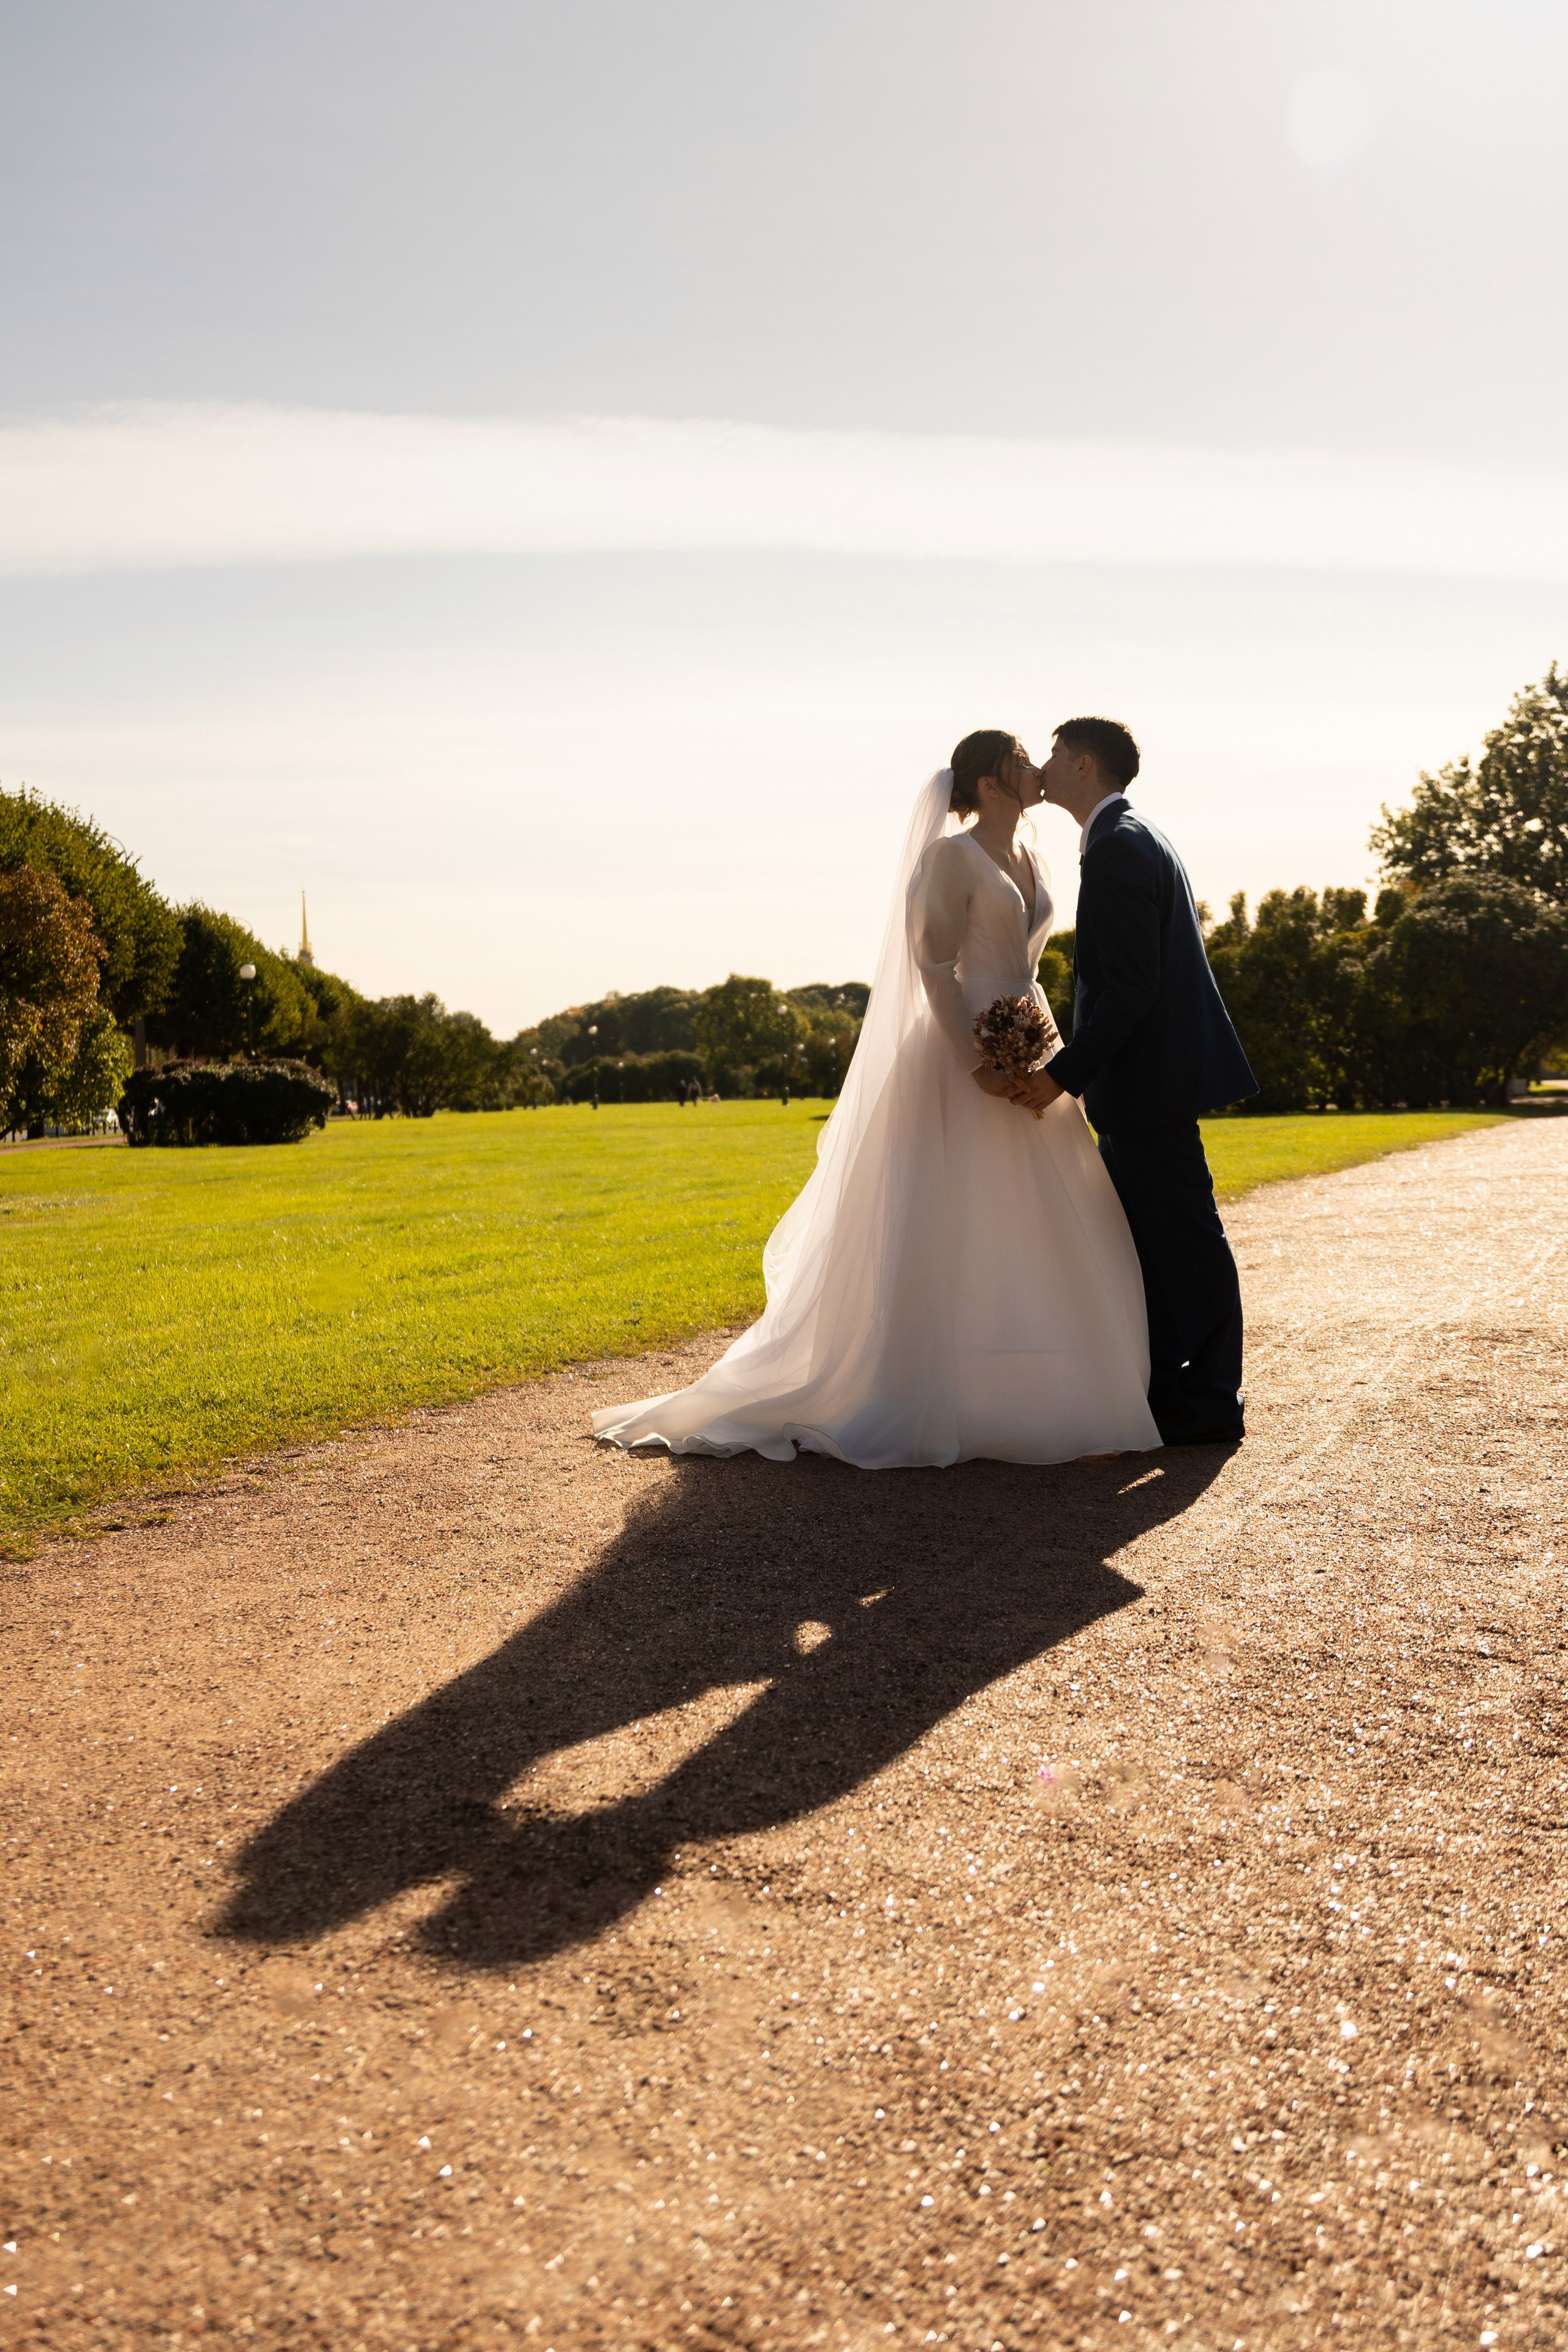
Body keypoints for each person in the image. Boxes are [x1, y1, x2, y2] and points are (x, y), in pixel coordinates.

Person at [592, 733, 1159, 1467]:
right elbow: (933, 965)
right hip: (962, 1052)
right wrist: (978, 1062)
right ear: (989, 782)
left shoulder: (1039, 855)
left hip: (1033, 1042)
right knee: (953, 1216)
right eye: (1022, 758)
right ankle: (930, 1392)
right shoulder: (950, 858)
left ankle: (1043, 1389)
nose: (1036, 769)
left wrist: (1040, 1051)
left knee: (1042, 1215)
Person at [1010, 717, 1256, 1446]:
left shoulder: (1117, 846)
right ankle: (1177, 1389)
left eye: (1054, 753)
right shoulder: (1132, 835)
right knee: (1157, 1241)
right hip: (1151, 1081)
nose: (1045, 764)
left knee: (1184, 1239)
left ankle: (1210, 1399)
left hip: (1148, 1085)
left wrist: (1062, 1076)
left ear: (1084, 766)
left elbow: (1128, 989)